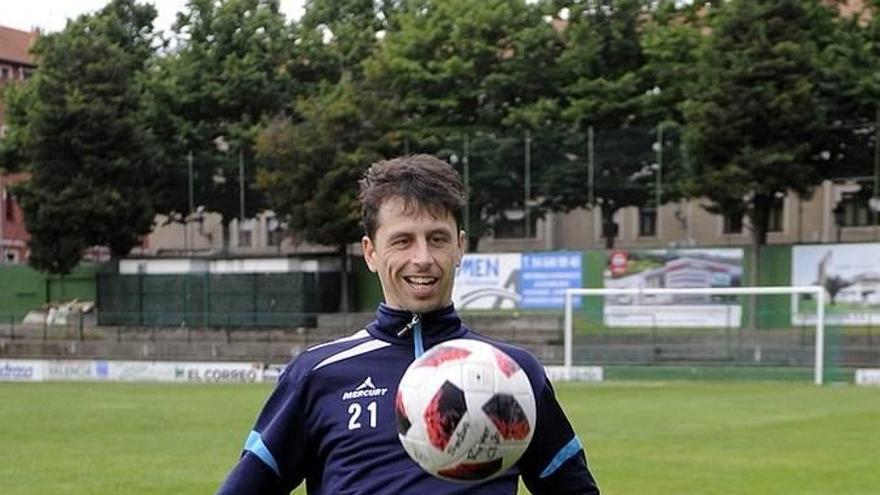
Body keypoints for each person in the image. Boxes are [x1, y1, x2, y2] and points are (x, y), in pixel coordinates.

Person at [216, 154, 600, 494]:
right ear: (371, 252)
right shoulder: (317, 374)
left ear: (460, 246)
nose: (423, 258)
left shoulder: (513, 374)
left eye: (437, 239)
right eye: (402, 241)